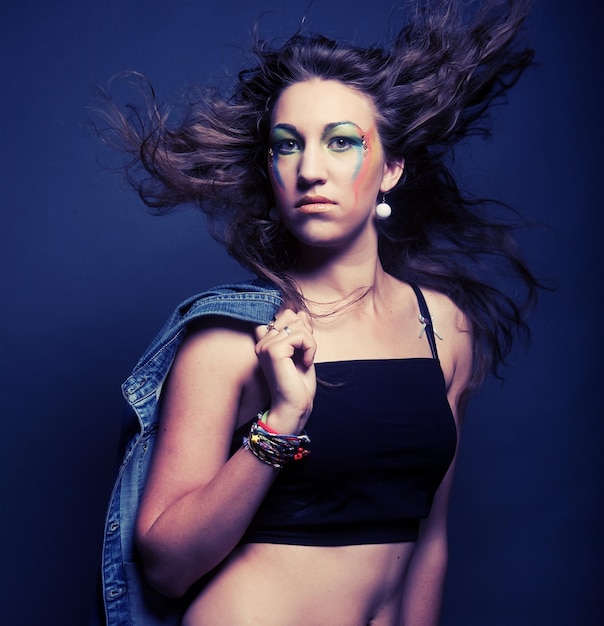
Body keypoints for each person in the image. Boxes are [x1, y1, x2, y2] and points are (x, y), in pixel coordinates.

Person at [92, 1, 540, 624]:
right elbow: (166, 566)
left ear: (391, 168)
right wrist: (281, 422)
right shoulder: (230, 343)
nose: (309, 170)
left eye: (340, 142)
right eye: (287, 146)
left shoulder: (444, 328)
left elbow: (429, 539)